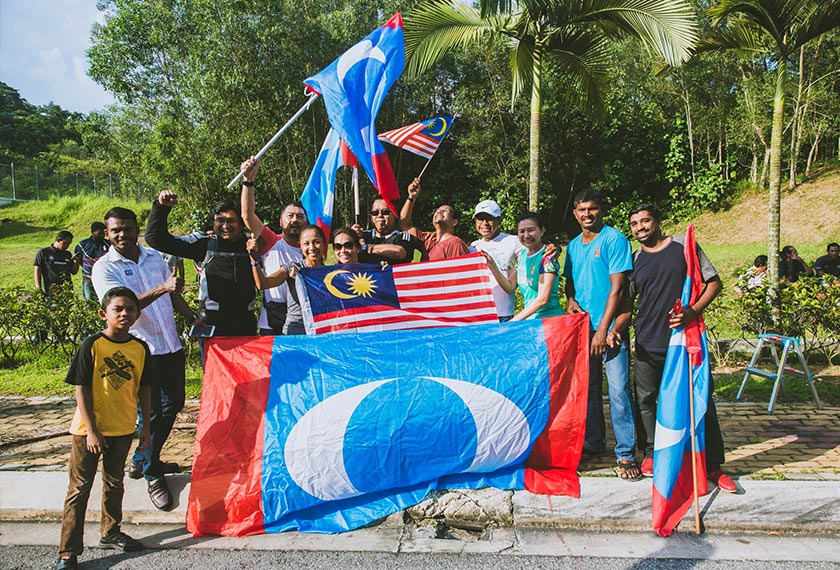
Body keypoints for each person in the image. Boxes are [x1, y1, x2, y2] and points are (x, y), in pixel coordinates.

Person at [92, 207, 195, 511]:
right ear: (107, 233)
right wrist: (163, 287)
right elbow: (122, 307)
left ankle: (141, 458)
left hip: (169, 344)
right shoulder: (104, 268)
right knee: (150, 413)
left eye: (127, 228)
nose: (122, 234)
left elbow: (172, 293)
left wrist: (193, 317)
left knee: (174, 403)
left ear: (137, 229)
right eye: (116, 230)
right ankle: (152, 473)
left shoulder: (153, 258)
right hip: (138, 349)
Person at [627, 204, 736, 493]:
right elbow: (627, 301)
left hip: (686, 342)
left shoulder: (683, 247)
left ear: (657, 221)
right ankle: (651, 452)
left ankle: (712, 465)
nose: (640, 227)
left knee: (701, 402)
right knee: (645, 399)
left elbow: (714, 283)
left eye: (645, 221)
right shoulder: (634, 259)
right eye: (635, 224)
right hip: (648, 341)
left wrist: (692, 311)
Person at [54, 287, 152, 570]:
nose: (124, 314)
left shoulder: (140, 348)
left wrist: (145, 427)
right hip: (88, 430)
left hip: (122, 427)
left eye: (130, 309)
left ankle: (110, 531)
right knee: (79, 488)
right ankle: (68, 552)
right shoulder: (93, 345)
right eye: (117, 309)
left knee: (114, 482)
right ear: (103, 314)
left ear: (137, 314)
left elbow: (145, 388)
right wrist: (92, 430)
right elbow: (81, 388)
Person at [563, 190, 640, 481]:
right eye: (582, 210)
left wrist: (604, 330)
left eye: (592, 209)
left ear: (601, 210)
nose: (587, 214)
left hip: (610, 329)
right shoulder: (572, 246)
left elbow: (618, 290)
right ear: (575, 213)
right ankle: (594, 442)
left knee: (618, 390)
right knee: (589, 388)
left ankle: (625, 453)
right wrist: (571, 301)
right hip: (583, 328)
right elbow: (570, 284)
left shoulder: (614, 239)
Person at [146, 190, 257, 336]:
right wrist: (161, 207)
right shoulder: (204, 244)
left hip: (246, 322)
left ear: (242, 223)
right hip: (212, 321)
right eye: (220, 220)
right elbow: (156, 239)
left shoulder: (251, 245)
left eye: (231, 221)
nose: (225, 226)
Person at [239, 156, 305, 335]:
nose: (295, 220)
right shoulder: (271, 241)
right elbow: (247, 215)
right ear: (281, 222)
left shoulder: (312, 250)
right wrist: (248, 181)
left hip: (303, 320)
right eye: (290, 216)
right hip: (272, 322)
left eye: (300, 216)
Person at [247, 225, 328, 335]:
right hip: (294, 331)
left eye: (316, 242)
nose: (312, 247)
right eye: (306, 243)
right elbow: (263, 284)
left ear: (324, 243)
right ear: (300, 245)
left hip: (321, 330)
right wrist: (254, 260)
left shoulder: (330, 274)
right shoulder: (293, 268)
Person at [483, 212, 563, 321]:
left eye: (531, 230)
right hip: (531, 322)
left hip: (550, 321)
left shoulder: (547, 257)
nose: (526, 235)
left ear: (542, 230)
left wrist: (513, 322)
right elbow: (510, 286)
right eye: (521, 231)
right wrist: (492, 265)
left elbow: (543, 299)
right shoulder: (523, 255)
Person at [469, 200, 523, 322]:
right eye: (480, 219)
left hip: (503, 313)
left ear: (499, 220)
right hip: (479, 313)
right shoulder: (473, 246)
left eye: (489, 218)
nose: (484, 223)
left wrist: (555, 248)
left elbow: (536, 251)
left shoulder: (514, 241)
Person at [399, 178, 469, 260]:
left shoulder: (456, 243)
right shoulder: (428, 240)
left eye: (444, 211)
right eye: (437, 211)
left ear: (454, 222)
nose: (439, 212)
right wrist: (411, 197)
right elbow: (405, 226)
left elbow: (462, 267)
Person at [351, 197, 421, 265]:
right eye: (375, 213)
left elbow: (399, 252)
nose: (380, 215)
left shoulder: (403, 237)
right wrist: (350, 236)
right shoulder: (362, 235)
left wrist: (365, 247)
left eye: (385, 212)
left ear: (395, 214)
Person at [34, 230, 79, 295]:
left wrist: (77, 261)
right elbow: (37, 270)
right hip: (52, 289)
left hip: (67, 289)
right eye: (65, 243)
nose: (67, 246)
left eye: (69, 244)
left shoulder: (67, 254)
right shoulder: (44, 252)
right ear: (58, 240)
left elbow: (74, 272)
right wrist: (38, 287)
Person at [74, 222, 110, 300]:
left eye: (103, 233)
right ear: (92, 232)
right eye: (99, 233)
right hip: (88, 277)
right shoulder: (82, 245)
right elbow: (78, 260)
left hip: (103, 277)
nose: (102, 236)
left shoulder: (108, 244)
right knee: (89, 300)